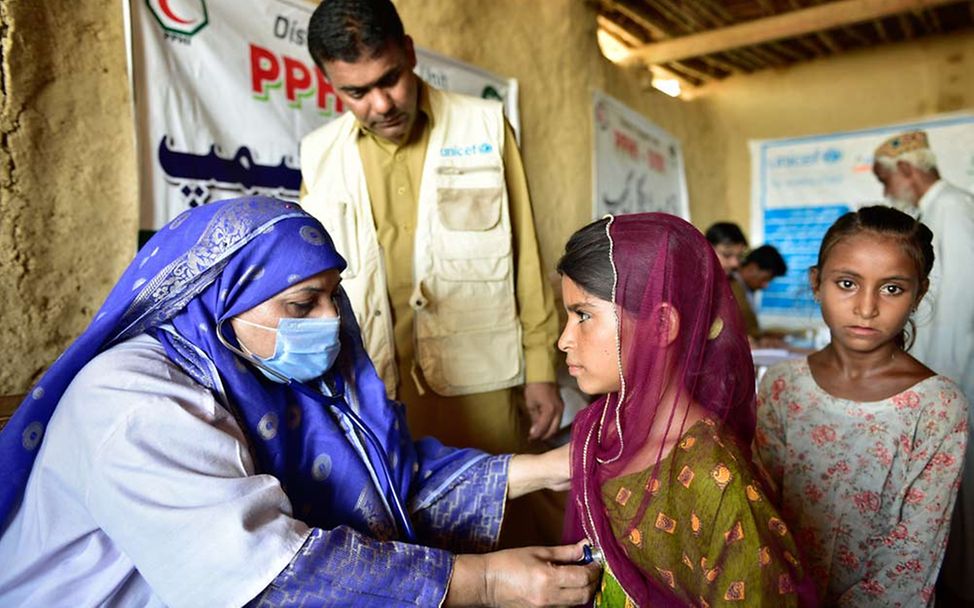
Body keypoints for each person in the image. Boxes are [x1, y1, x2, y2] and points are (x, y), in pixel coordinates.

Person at [0, 197, 600, 607]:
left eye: (333, 297)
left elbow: (384, 479)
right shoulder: (137, 405)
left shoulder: (255, 369)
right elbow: (267, 577)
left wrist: (551, 468)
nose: (331, 321)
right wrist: (488, 582)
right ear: (223, 298)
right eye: (302, 304)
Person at [299, 0, 562, 455]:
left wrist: (540, 367)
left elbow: (527, 258)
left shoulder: (485, 126)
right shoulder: (318, 155)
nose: (381, 104)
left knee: (503, 507)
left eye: (390, 79)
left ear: (409, 52)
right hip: (376, 390)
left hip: (483, 383)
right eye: (356, 93)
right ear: (330, 83)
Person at [558, 213, 816, 607]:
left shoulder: (715, 477)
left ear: (662, 324)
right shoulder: (601, 430)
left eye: (583, 315)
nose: (563, 340)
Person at [754, 205, 968, 606]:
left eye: (891, 288)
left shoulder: (938, 406)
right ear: (817, 283)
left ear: (918, 294)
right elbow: (762, 513)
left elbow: (912, 558)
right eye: (848, 283)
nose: (867, 308)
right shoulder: (784, 386)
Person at [872, 130, 974, 603]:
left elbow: (955, 313)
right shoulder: (937, 210)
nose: (885, 190)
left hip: (955, 378)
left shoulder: (951, 209)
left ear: (908, 171)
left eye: (885, 179)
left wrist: (936, 389)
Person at [730, 244, 787, 343]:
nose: (765, 285)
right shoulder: (730, 286)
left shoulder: (744, 288)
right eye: (765, 279)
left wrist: (764, 334)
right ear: (752, 268)